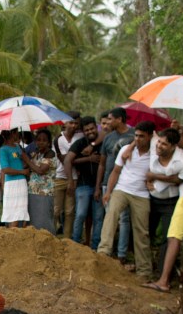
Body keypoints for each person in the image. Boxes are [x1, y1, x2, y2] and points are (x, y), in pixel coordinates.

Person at [142, 128, 183, 292]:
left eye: (164, 144)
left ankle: (164, 280)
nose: (159, 145)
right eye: (159, 142)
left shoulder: (181, 161)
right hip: (159, 197)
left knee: (173, 238)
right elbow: (153, 135)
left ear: (174, 146)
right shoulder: (155, 142)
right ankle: (166, 278)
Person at [100, 121, 155, 276]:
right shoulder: (126, 149)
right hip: (122, 189)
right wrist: (108, 191)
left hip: (142, 194)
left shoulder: (155, 153)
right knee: (111, 215)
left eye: (142, 136)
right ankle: (103, 253)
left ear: (150, 136)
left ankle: (144, 270)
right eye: (136, 136)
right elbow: (115, 171)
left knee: (141, 231)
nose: (138, 139)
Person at [96, 108, 135, 259]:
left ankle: (121, 254)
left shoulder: (133, 136)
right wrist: (99, 185)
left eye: (111, 119)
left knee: (124, 219)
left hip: (126, 183)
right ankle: (107, 252)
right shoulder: (108, 137)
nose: (108, 122)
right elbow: (102, 163)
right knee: (109, 217)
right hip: (108, 181)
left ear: (119, 119)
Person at [65, 117, 104, 248]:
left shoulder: (103, 141)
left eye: (92, 128)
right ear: (83, 131)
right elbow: (68, 160)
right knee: (80, 214)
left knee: (98, 217)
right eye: (86, 130)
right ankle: (75, 244)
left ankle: (95, 246)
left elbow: (107, 132)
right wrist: (89, 159)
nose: (90, 132)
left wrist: (92, 147)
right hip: (83, 184)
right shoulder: (80, 143)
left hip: (100, 185)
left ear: (96, 127)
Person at [53, 111, 83, 235]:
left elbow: (70, 159)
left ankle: (67, 238)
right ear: (65, 123)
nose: (73, 126)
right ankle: (54, 232)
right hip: (59, 177)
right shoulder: (58, 139)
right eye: (71, 122)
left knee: (70, 211)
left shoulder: (80, 137)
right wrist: (79, 157)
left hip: (75, 178)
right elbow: (65, 160)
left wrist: (72, 159)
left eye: (76, 123)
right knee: (56, 210)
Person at [24, 129, 58, 234]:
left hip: (45, 191)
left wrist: (27, 159)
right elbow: (26, 167)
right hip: (32, 191)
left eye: (44, 140)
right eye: (38, 140)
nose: (41, 142)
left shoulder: (50, 154)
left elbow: (41, 170)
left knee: (44, 219)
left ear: (49, 142)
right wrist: (26, 156)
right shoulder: (36, 153)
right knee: (34, 219)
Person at [0, 131, 31, 228]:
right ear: (10, 134)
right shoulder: (3, 149)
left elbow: (22, 163)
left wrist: (24, 159)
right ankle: (13, 235)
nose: (17, 134)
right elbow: (5, 169)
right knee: (13, 212)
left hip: (22, 181)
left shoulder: (18, 147)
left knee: (22, 209)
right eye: (15, 132)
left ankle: (20, 234)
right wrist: (22, 172)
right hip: (12, 183)